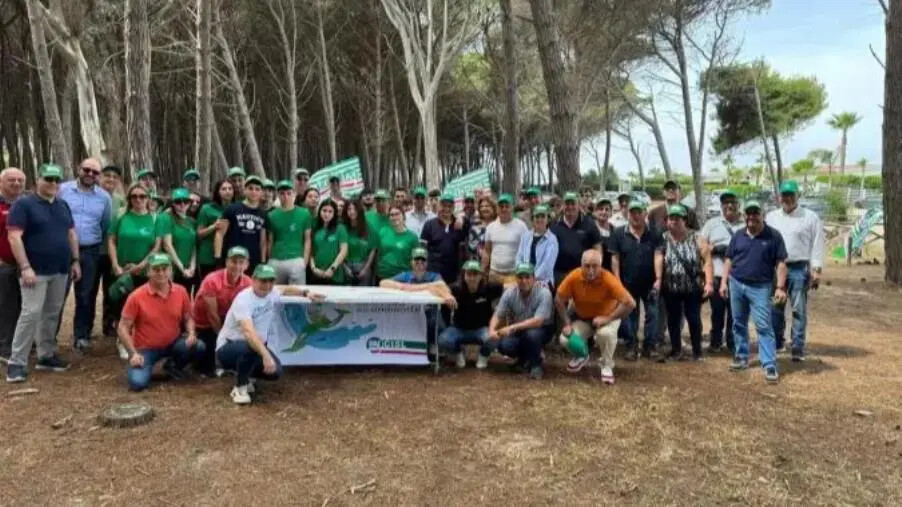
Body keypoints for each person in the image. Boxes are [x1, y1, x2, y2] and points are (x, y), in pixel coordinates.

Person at [5, 164, 80, 382]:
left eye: (57, 180)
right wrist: (25, 267)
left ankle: (46, 355)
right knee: (30, 313)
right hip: (34, 271)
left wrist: (75, 260)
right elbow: (14, 237)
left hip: (60, 269)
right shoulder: (24, 205)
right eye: (48, 179)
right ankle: (16, 362)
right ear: (38, 180)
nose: (53, 184)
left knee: (52, 312)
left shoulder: (62, 205)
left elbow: (71, 234)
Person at [216, 264, 323, 404]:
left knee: (275, 372)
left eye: (270, 281)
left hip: (252, 346)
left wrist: (306, 293)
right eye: (263, 281)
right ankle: (240, 387)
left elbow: (285, 289)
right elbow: (248, 333)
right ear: (253, 280)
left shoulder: (272, 292)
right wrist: (266, 356)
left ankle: (247, 376)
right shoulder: (243, 299)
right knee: (253, 346)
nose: (267, 285)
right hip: (228, 347)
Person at [720, 201, 788, 383]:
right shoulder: (738, 235)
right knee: (738, 323)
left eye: (755, 213)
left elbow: (781, 263)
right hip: (736, 283)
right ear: (744, 216)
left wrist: (780, 287)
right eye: (748, 214)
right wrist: (724, 282)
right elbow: (728, 259)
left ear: (762, 215)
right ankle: (742, 356)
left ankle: (769, 363)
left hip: (761, 287)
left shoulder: (773, 236)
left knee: (764, 326)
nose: (751, 217)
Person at [118, 253, 204, 391]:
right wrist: (133, 353)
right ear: (148, 272)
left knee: (198, 346)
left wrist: (191, 333)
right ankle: (150, 366)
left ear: (171, 271)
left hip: (173, 344)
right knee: (137, 383)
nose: (161, 273)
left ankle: (171, 366)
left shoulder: (181, 291)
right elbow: (122, 327)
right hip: (146, 349)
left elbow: (188, 317)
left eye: (165, 269)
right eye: (156, 269)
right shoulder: (136, 296)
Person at [766, 180, 825, 361]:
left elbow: (817, 244)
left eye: (791, 195)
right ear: (779, 197)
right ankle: (777, 342)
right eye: (784, 195)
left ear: (798, 196)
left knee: (798, 310)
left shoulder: (810, 217)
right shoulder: (771, 217)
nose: (787, 198)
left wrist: (816, 269)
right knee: (776, 308)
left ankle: (798, 346)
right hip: (776, 268)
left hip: (799, 268)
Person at [556, 250, 635, 383]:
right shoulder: (574, 276)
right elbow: (558, 299)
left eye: (595, 266)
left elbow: (630, 303)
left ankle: (606, 364)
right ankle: (581, 356)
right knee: (564, 338)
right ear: (581, 265)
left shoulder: (609, 279)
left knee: (605, 334)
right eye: (587, 266)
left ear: (601, 265)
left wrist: (608, 318)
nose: (591, 270)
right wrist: (567, 323)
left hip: (607, 318)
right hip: (583, 318)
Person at [58, 157, 113, 352]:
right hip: (62, 250)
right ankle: (47, 337)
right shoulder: (62, 190)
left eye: (95, 172)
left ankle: (82, 336)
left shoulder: (105, 198)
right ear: (78, 168)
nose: (90, 174)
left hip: (90, 251)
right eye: (87, 170)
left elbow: (105, 225)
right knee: (57, 295)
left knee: (86, 295)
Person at [654, 205, 714, 361]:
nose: (674, 221)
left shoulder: (696, 238)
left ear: (685, 220)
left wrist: (708, 283)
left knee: (694, 319)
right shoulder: (663, 238)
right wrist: (659, 279)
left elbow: (707, 261)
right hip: (671, 287)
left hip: (691, 286)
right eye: (671, 218)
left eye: (677, 218)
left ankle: (697, 351)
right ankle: (676, 350)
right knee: (673, 320)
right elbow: (659, 257)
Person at [608, 202, 660, 360]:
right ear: (628, 214)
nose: (635, 216)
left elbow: (659, 256)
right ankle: (631, 346)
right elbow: (615, 258)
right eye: (632, 212)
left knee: (653, 314)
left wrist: (658, 279)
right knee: (629, 316)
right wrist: (617, 280)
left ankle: (649, 347)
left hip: (650, 282)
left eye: (639, 212)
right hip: (627, 283)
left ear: (645, 214)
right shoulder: (618, 233)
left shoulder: (654, 233)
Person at [379, 247, 455, 354]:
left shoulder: (434, 276)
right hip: (409, 313)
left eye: (423, 260)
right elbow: (383, 283)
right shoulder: (405, 275)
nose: (419, 263)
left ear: (427, 263)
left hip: (430, 313)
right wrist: (403, 286)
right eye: (416, 260)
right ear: (411, 262)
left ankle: (433, 344)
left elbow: (444, 288)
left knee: (436, 320)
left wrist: (413, 288)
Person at [107, 183, 159, 340]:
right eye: (134, 196)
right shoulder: (121, 216)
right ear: (129, 198)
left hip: (145, 270)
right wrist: (115, 264)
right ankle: (122, 339)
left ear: (148, 198)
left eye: (142, 196)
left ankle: (140, 337)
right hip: (122, 270)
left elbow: (157, 245)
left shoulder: (155, 218)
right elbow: (111, 240)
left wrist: (142, 264)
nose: (138, 199)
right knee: (121, 305)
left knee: (144, 306)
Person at [193, 246, 252, 376]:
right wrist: (224, 338)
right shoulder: (212, 280)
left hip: (227, 321)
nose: (237, 266)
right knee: (207, 367)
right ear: (226, 262)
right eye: (233, 261)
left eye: (241, 262)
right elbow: (212, 315)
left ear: (247, 265)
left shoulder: (248, 282)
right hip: (205, 324)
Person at [489, 263, 555, 380]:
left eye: (527, 277)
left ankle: (536, 365)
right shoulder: (510, 293)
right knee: (503, 345)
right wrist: (491, 330)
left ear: (534, 279)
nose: (523, 281)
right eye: (520, 277)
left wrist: (511, 328)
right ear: (516, 279)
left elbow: (538, 321)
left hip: (542, 330)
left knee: (532, 335)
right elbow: (498, 314)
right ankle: (525, 359)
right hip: (519, 329)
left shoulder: (544, 293)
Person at [700, 190, 745, 353]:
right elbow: (701, 246)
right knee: (717, 312)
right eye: (726, 203)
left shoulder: (745, 224)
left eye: (733, 202)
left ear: (738, 205)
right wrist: (714, 249)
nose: (730, 206)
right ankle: (715, 341)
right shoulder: (712, 224)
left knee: (735, 312)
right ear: (721, 206)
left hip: (738, 275)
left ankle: (733, 342)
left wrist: (733, 251)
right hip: (717, 274)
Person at [438, 260, 504, 369]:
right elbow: (438, 288)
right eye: (469, 274)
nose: (472, 278)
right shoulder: (456, 289)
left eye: (475, 274)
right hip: (459, 329)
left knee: (494, 338)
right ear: (464, 275)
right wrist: (446, 295)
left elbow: (508, 286)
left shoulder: (488, 288)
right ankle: (458, 353)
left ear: (480, 276)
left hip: (482, 330)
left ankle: (483, 355)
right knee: (443, 340)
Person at [215, 176, 268, 272]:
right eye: (250, 188)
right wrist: (218, 259)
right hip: (233, 258)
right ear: (245, 190)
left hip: (253, 261)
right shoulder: (232, 209)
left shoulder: (263, 214)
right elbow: (219, 234)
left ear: (261, 192)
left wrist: (263, 261)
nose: (254, 192)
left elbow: (263, 241)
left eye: (257, 189)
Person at [0, 167, 26, 360]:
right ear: (2, 182)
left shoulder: (27, 204)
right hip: (4, 265)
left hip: (26, 265)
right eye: (11, 180)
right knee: (6, 306)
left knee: (25, 306)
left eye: (19, 180)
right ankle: (5, 347)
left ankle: (23, 342)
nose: (16, 183)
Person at [551, 192, 602, 287]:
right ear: (563, 206)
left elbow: (597, 247)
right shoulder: (554, 224)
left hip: (582, 273)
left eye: (573, 203)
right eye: (567, 204)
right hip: (559, 273)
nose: (570, 207)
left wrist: (596, 269)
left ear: (578, 205)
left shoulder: (589, 223)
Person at [267, 180, 312, 285]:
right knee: (275, 295)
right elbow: (270, 240)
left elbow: (307, 239)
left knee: (297, 296)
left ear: (294, 194)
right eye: (282, 193)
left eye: (288, 193)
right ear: (278, 195)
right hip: (276, 260)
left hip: (296, 259)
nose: (286, 196)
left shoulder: (304, 214)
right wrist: (270, 259)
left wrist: (304, 262)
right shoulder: (271, 215)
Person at [154, 188, 197, 292]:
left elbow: (194, 246)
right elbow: (167, 245)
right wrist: (182, 268)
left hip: (189, 269)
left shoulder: (192, 221)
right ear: (172, 203)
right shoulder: (165, 218)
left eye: (185, 201)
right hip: (172, 269)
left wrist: (192, 267)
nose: (182, 204)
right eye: (178, 201)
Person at [420, 192, 467, 284]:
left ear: (453, 208)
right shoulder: (429, 224)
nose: (446, 209)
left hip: (453, 276)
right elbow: (422, 249)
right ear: (438, 206)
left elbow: (463, 251)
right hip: (433, 275)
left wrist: (461, 218)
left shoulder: (459, 225)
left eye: (449, 206)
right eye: (443, 206)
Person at [483, 193, 528, 285]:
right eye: (501, 206)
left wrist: (524, 271)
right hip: (494, 274)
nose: (504, 209)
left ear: (512, 208)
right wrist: (483, 270)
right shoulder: (490, 227)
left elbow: (526, 250)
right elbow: (487, 251)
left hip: (514, 274)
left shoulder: (521, 226)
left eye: (507, 206)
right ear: (497, 209)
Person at [196, 180, 234, 282]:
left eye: (230, 189)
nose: (227, 191)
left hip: (229, 256)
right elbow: (199, 234)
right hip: (208, 256)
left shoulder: (236, 208)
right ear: (218, 192)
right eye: (224, 189)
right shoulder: (207, 208)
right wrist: (214, 226)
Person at [515, 205, 558, 288]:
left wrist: (531, 278)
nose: (540, 219)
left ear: (547, 219)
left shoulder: (552, 239)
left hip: (543, 280)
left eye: (543, 216)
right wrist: (522, 274)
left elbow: (547, 266)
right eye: (537, 216)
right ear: (532, 219)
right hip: (523, 277)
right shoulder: (526, 236)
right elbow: (519, 257)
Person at [375, 205, 420, 282]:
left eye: (397, 214)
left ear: (404, 216)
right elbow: (377, 252)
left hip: (402, 279)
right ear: (389, 218)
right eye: (392, 215)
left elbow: (417, 261)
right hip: (382, 276)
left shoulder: (412, 237)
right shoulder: (383, 231)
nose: (395, 217)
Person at [310, 200, 349, 285]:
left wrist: (332, 269)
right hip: (316, 274)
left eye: (330, 211)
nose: (326, 214)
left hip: (335, 276)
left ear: (334, 213)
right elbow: (311, 251)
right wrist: (313, 268)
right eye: (324, 210)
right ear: (319, 211)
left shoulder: (340, 228)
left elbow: (343, 251)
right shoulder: (315, 228)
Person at [342, 199, 376, 286]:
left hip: (363, 266)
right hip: (346, 266)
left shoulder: (368, 226)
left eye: (355, 209)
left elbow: (373, 249)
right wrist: (345, 268)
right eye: (349, 209)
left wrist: (366, 269)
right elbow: (338, 250)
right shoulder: (342, 227)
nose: (352, 212)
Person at [466, 196, 496, 262]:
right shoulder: (475, 224)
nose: (484, 208)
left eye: (487, 206)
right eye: (481, 207)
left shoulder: (499, 224)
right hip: (477, 264)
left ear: (493, 208)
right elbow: (471, 247)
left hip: (496, 265)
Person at [593, 197, 614, 270]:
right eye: (601, 209)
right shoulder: (590, 228)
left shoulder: (614, 230)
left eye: (607, 209)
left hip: (609, 271)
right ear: (595, 211)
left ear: (611, 212)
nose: (604, 212)